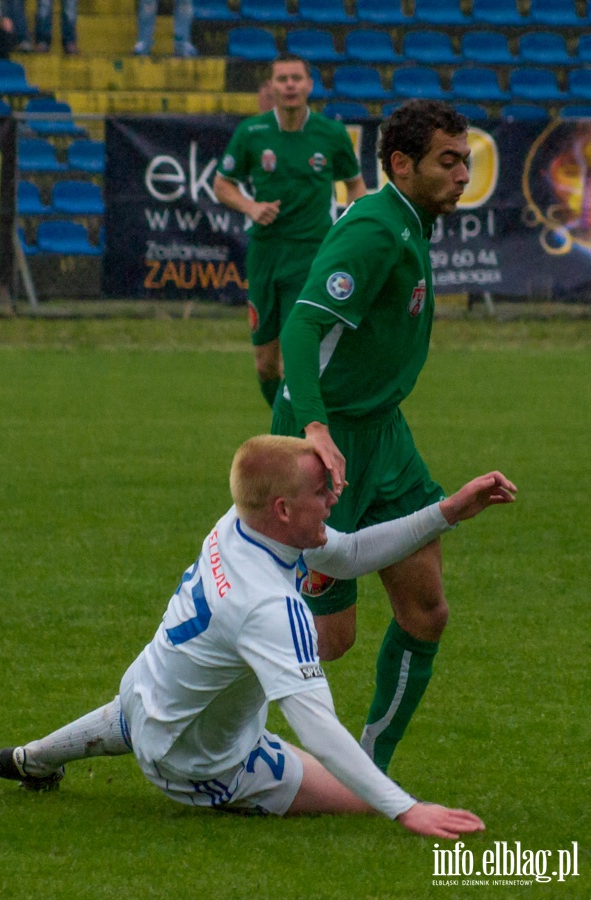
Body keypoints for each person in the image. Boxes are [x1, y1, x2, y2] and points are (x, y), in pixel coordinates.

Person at [0, 435, 516, 834]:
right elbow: (318, 728)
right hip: (202, 763)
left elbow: (350, 554)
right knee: (362, 798)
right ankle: (186, 770)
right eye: (321, 489)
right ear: (283, 509)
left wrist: (446, 513)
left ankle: (28, 760)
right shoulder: (268, 606)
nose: (334, 496)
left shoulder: (241, 521)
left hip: (145, 693)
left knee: (139, 713)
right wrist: (407, 810)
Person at [272, 99, 473, 776]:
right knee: (329, 638)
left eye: (466, 160)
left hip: (385, 435)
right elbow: (301, 328)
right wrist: (314, 431)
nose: (463, 174)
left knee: (426, 610)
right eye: (449, 161)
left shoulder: (412, 223)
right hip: (325, 444)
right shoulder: (376, 232)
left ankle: (368, 766)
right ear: (400, 164)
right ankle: (192, 699)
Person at [213, 53, 367, 409]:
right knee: (266, 364)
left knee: (296, 359)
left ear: (310, 85)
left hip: (312, 256)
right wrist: (251, 207)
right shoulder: (251, 132)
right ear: (271, 87)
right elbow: (223, 184)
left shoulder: (331, 134)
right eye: (282, 79)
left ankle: (296, 435)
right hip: (266, 254)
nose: (290, 85)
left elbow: (356, 185)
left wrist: (348, 228)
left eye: (296, 78)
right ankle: (283, 423)